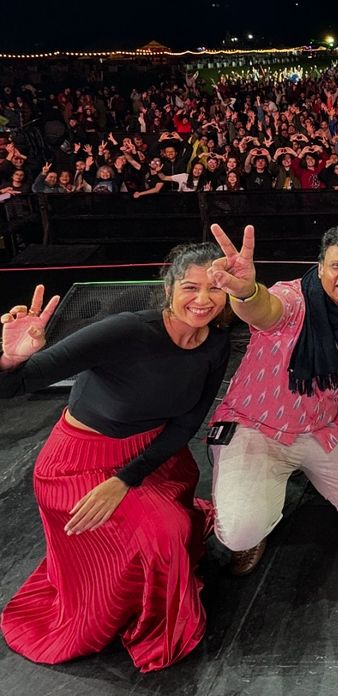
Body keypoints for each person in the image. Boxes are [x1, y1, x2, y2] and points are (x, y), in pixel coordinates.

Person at [0, 245, 232, 672]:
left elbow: (185, 425)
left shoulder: (217, 342)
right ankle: (146, 621)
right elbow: (15, 385)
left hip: (153, 458)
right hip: (78, 464)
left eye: (215, 288)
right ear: (169, 288)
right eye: (191, 287)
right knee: (167, 532)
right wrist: (11, 360)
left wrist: (127, 477)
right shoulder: (124, 331)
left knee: (172, 524)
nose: (203, 299)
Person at [204, 221, 338, 576]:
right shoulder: (294, 299)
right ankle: (251, 496)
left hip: (323, 427)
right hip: (257, 428)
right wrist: (246, 293)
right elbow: (265, 310)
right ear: (320, 267)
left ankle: (305, 472)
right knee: (239, 531)